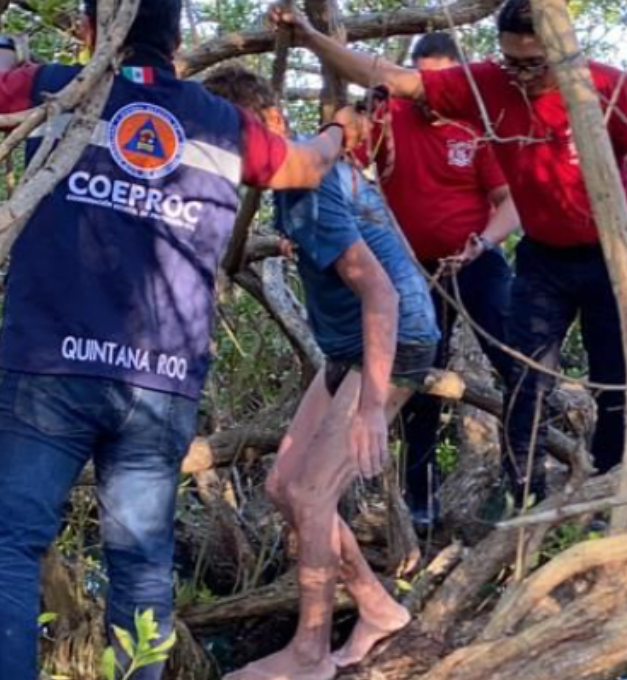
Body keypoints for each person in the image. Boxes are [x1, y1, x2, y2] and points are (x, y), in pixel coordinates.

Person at [0, 2, 350, 678]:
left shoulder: (54, 87)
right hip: (159, 379)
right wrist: (342, 129)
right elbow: (305, 165)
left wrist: (1, 44)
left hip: (51, 365)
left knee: (6, 550)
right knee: (141, 568)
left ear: (91, 31)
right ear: (176, 43)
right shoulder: (222, 124)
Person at [269, 0, 627, 508]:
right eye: (511, 62)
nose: (521, 76)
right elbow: (390, 77)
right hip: (541, 259)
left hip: (610, 255)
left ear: (563, 51)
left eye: (533, 63)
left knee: (617, 380)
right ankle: (525, 496)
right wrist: (309, 36)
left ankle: (613, 495)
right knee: (527, 376)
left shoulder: (609, 87)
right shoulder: (487, 87)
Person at [202, 68, 441, 680]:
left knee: (312, 493)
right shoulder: (302, 184)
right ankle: (376, 606)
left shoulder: (304, 185)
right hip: (345, 348)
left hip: (391, 340)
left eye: (240, 135)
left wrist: (370, 410)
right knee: (285, 485)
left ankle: (309, 656)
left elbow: (382, 295)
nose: (233, 151)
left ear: (274, 125)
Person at [359, 32, 520, 528]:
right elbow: (344, 160)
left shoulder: (478, 124)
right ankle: (419, 497)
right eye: (420, 77)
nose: (428, 88)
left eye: (440, 78)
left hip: (473, 259)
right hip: (410, 268)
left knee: (516, 360)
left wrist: (484, 244)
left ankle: (524, 480)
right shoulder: (387, 115)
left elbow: (510, 202)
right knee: (419, 376)